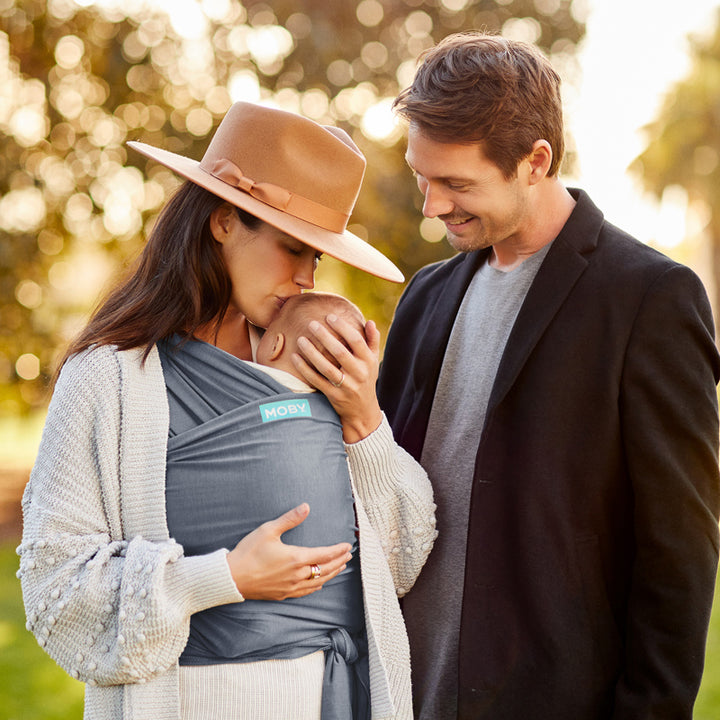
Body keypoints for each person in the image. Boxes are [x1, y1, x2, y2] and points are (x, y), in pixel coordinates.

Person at [18, 101, 437, 720]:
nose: (305, 277)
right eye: (292, 248)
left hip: (333, 701)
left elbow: (402, 561)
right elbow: (54, 590)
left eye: (316, 257)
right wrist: (225, 578)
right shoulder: (107, 380)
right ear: (222, 221)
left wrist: (365, 421)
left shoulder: (307, 362)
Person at [377, 32, 720, 720]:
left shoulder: (651, 299)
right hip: (400, 693)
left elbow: (677, 556)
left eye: (456, 184)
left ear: (536, 161)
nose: (432, 206)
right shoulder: (424, 295)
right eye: (423, 177)